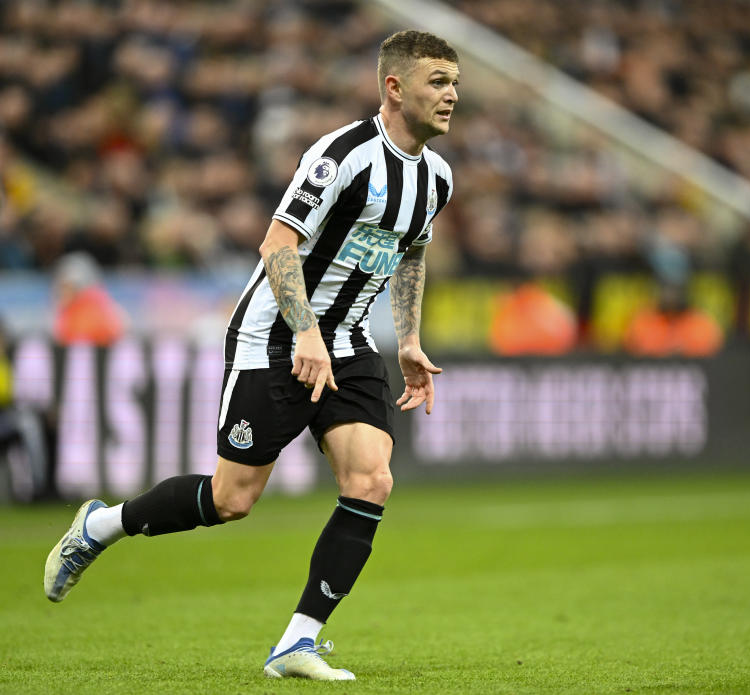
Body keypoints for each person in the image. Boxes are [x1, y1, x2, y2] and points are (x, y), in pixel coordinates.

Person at [43, 30, 459, 682]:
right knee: (233, 498)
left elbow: (412, 253)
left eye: (455, 82)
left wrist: (406, 337)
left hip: (347, 340)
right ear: (395, 87)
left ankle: (297, 640)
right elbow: (276, 244)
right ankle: (103, 524)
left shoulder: (436, 177)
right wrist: (303, 331)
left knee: (372, 478)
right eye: (437, 81)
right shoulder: (341, 156)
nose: (452, 94)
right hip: (275, 334)